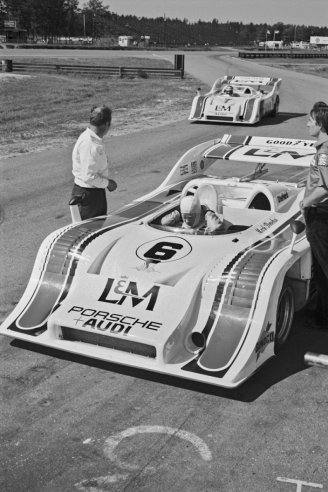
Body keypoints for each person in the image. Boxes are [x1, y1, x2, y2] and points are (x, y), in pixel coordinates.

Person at [300, 102, 328, 329]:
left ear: (320, 124)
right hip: (321, 214)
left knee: (324, 268)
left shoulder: (324, 151)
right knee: (319, 268)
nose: (307, 123)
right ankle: (321, 314)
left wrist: (305, 203)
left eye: (310, 120)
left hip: (320, 215)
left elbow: (326, 187)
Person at [71, 105, 117, 220]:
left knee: (98, 228)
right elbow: (89, 177)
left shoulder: (93, 138)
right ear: (107, 124)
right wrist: (108, 183)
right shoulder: (90, 144)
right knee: (88, 232)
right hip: (88, 196)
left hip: (94, 192)